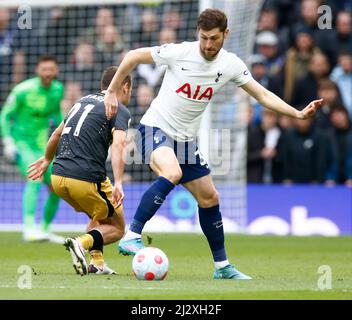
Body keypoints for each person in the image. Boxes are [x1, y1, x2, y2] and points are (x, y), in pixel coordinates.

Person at [104, 8, 323, 280]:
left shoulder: (230, 64)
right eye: (204, 38)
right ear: (198, 33)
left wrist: (298, 113)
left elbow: (263, 95)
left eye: (214, 39)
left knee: (210, 198)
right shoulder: (180, 52)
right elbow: (133, 56)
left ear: (225, 34)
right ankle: (132, 234)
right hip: (155, 128)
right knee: (172, 173)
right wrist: (112, 90)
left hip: (186, 140)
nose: (208, 45)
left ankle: (222, 267)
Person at [27, 66, 132, 276]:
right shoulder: (118, 108)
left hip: (58, 177)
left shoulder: (81, 101)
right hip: (86, 178)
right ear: (125, 86)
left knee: (98, 215)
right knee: (119, 228)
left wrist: (47, 159)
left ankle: (97, 263)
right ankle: (80, 243)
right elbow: (119, 145)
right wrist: (119, 182)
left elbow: (57, 134)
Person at [0, 55, 64, 243]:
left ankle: (44, 229)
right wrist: (8, 141)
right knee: (34, 177)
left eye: (51, 69)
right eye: (44, 69)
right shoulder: (22, 90)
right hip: (22, 144)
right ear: (38, 71)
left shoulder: (57, 90)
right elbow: (5, 115)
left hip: (42, 148)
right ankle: (29, 228)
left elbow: (58, 116)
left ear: (56, 71)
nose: (47, 73)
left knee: (57, 186)